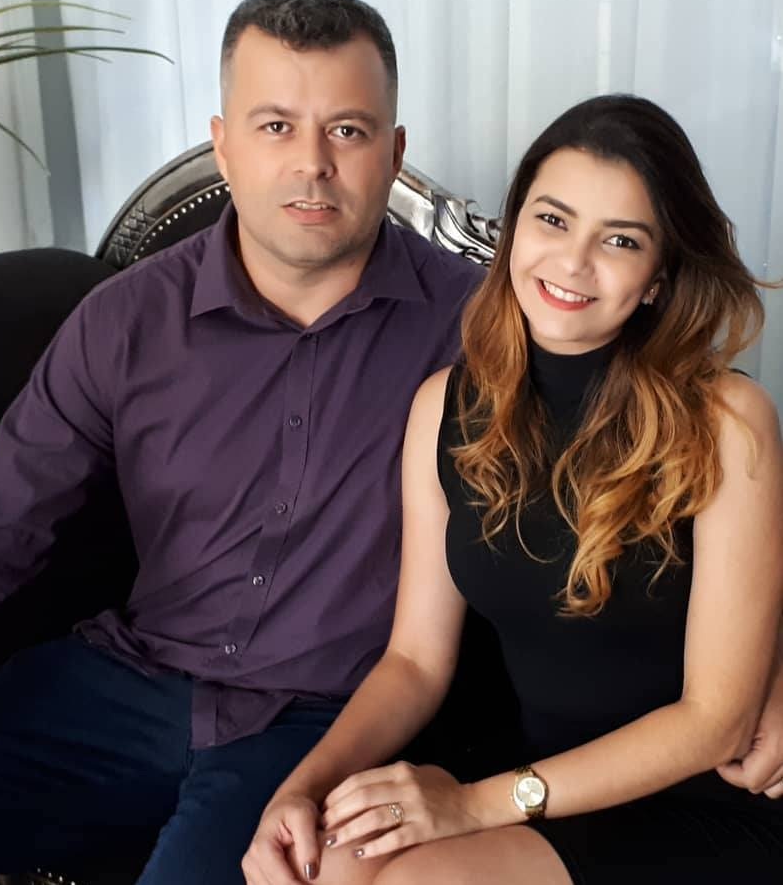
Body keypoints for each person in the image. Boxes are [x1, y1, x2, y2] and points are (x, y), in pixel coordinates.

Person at [0, 0, 487, 885]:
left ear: (394, 152)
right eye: (276, 126)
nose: (312, 165)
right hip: (122, 685)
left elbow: (633, 460)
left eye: (348, 130)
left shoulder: (482, 328)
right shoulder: (125, 321)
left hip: (326, 726)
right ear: (223, 146)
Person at [242, 95, 783, 885]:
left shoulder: (728, 419)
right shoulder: (443, 407)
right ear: (515, 229)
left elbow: (715, 722)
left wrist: (473, 806)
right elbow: (415, 661)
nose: (573, 263)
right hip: (524, 765)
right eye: (552, 220)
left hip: (691, 795)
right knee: (326, 861)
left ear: (658, 278)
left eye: (620, 240)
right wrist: (300, 789)